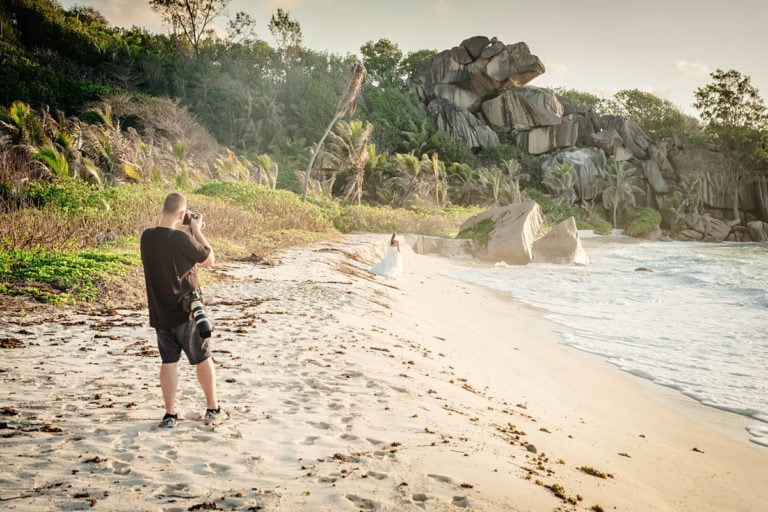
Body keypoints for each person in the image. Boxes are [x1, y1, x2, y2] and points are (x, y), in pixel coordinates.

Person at [140, 192, 228, 428]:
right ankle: (213, 409)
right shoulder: (181, 239)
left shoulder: (146, 238)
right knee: (203, 358)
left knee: (169, 362)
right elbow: (210, 259)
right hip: (188, 311)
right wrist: (197, 229)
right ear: (182, 214)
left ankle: (170, 415)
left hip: (160, 312)